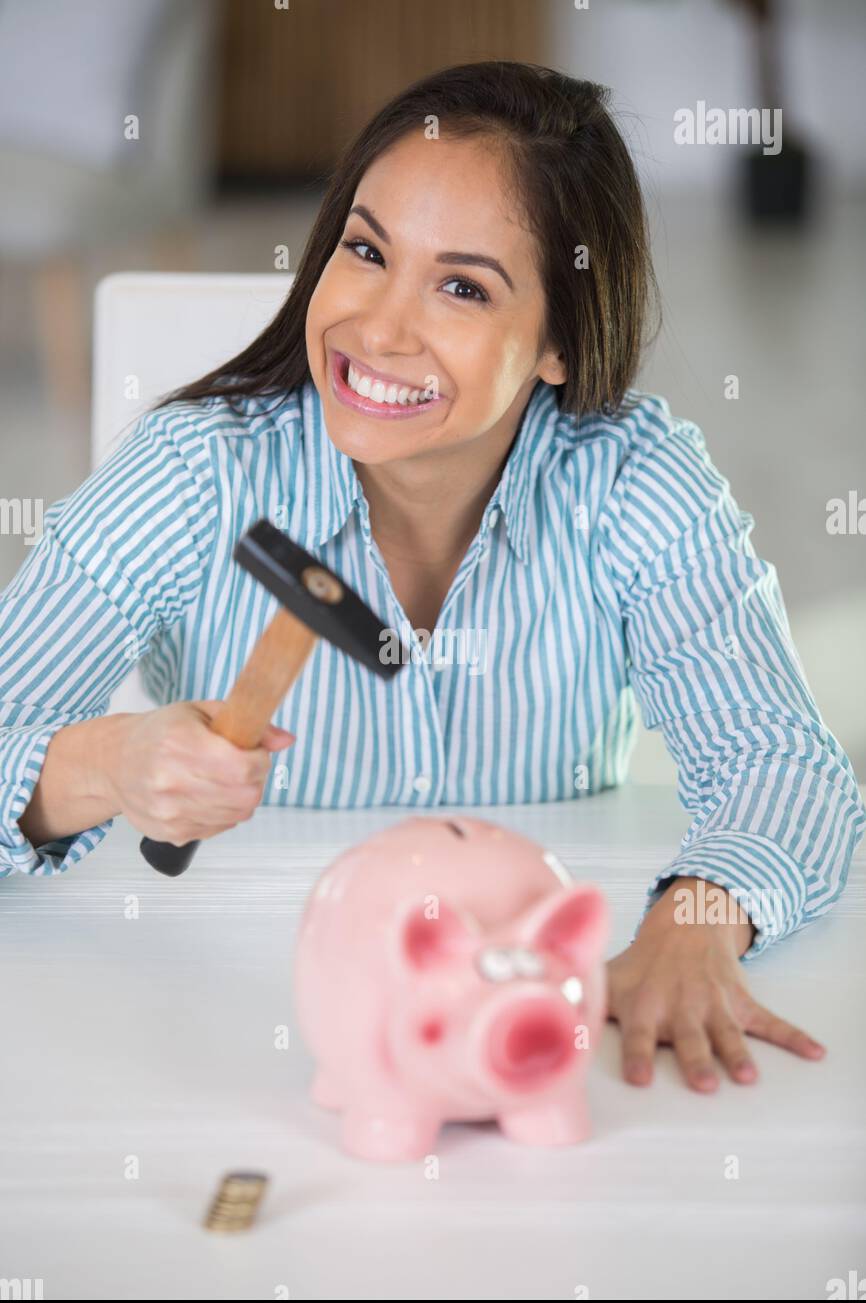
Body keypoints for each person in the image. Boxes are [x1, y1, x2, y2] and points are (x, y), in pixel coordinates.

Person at [1, 62, 862, 1093]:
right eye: (365, 251)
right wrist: (108, 765)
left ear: (555, 339)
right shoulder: (192, 474)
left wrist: (697, 919)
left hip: (529, 1015)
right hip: (228, 1026)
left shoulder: (631, 480)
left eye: (462, 285)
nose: (379, 328)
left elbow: (783, 763)